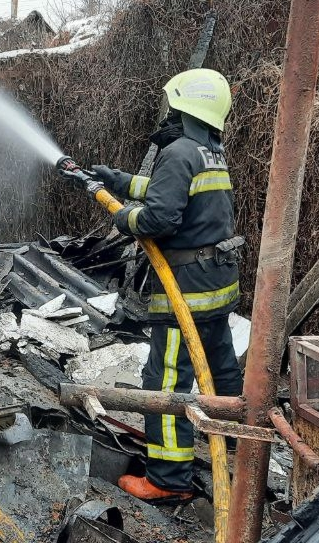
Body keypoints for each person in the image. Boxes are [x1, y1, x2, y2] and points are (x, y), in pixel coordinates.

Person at [90, 69, 244, 504]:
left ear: (185, 109)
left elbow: (158, 217)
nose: (167, 114)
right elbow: (169, 193)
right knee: (221, 371)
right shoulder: (208, 151)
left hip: (186, 295)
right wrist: (117, 181)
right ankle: (238, 449)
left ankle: (167, 480)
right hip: (215, 288)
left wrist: (122, 217)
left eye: (172, 106)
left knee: (166, 381)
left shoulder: (178, 152)